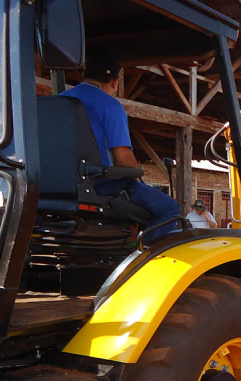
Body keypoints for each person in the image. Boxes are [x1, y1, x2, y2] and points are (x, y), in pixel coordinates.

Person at [61, 49, 180, 243]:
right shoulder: (110, 106)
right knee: (170, 209)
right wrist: (137, 173)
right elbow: (124, 162)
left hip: (58, 187)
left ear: (84, 75)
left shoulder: (60, 100)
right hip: (100, 187)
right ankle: (142, 261)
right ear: (115, 81)